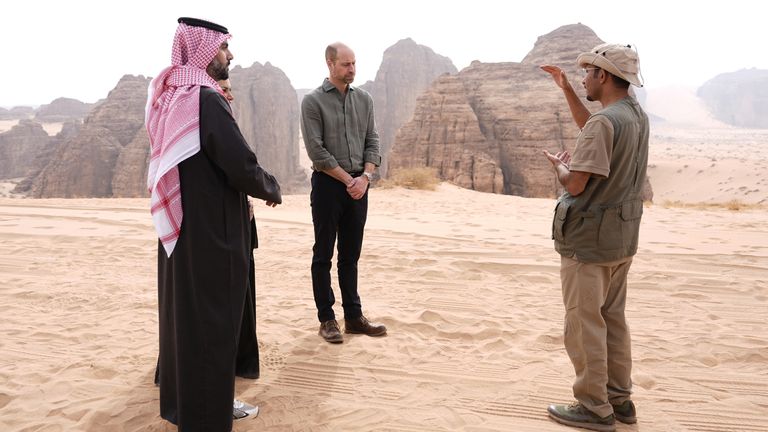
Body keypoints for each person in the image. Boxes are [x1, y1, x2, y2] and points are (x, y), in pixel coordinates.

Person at [146, 17, 281, 430]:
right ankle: (211, 411)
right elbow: (239, 163)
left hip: (183, 232)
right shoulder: (205, 99)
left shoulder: (173, 96)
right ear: (205, 50)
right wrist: (270, 188)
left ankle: (183, 405)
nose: (230, 54)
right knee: (215, 322)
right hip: (212, 233)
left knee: (186, 321)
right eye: (224, 47)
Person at [540, 43, 648, 432]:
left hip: (590, 242)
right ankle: (620, 400)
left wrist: (562, 170)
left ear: (603, 76)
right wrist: (567, 88)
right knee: (612, 319)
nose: (584, 77)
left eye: (587, 73)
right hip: (622, 239)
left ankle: (593, 407)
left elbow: (579, 185)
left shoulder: (607, 122)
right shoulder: (634, 114)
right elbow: (595, 131)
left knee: (584, 324)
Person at [300, 42, 387, 344]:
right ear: (330, 64)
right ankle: (327, 319)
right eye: (346, 64)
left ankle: (354, 317)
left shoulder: (364, 100)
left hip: (359, 187)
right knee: (323, 254)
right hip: (327, 186)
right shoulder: (312, 102)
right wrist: (347, 180)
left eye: (354, 63)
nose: (352, 69)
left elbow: (373, 141)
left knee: (350, 256)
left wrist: (365, 177)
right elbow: (316, 151)